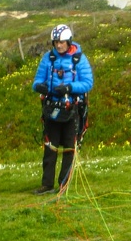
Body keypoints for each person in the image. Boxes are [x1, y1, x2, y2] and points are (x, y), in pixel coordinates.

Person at [31, 24, 93, 195]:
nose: (59, 46)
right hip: (52, 109)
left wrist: (69, 88)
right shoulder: (47, 58)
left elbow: (88, 83)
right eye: (56, 42)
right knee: (50, 147)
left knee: (69, 147)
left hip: (72, 109)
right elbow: (36, 82)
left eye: (62, 42)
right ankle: (47, 184)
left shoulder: (79, 59)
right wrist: (40, 87)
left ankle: (64, 184)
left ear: (69, 41)